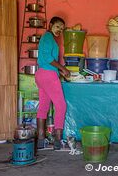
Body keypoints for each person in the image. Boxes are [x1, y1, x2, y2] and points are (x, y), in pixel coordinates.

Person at [35, 16, 70, 150]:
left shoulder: (47, 38)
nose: (59, 30)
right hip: (49, 76)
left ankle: (41, 140)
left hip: (41, 74)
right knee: (61, 105)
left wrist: (59, 71)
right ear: (50, 25)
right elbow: (49, 58)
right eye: (57, 26)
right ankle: (57, 139)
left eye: (62, 28)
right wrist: (63, 68)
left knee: (43, 106)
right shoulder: (48, 38)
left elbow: (45, 60)